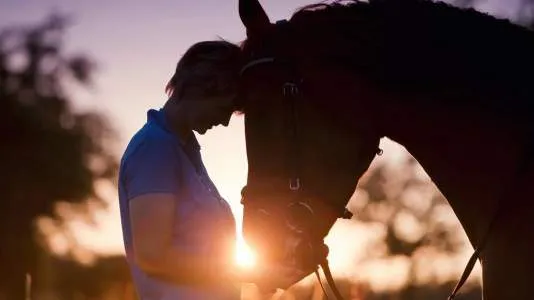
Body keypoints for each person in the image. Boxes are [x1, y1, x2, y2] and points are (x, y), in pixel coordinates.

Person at [117, 40, 308, 300]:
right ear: (202, 88)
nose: (225, 121)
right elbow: (153, 256)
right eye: (225, 107)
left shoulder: (183, 150)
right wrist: (252, 273)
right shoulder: (155, 147)